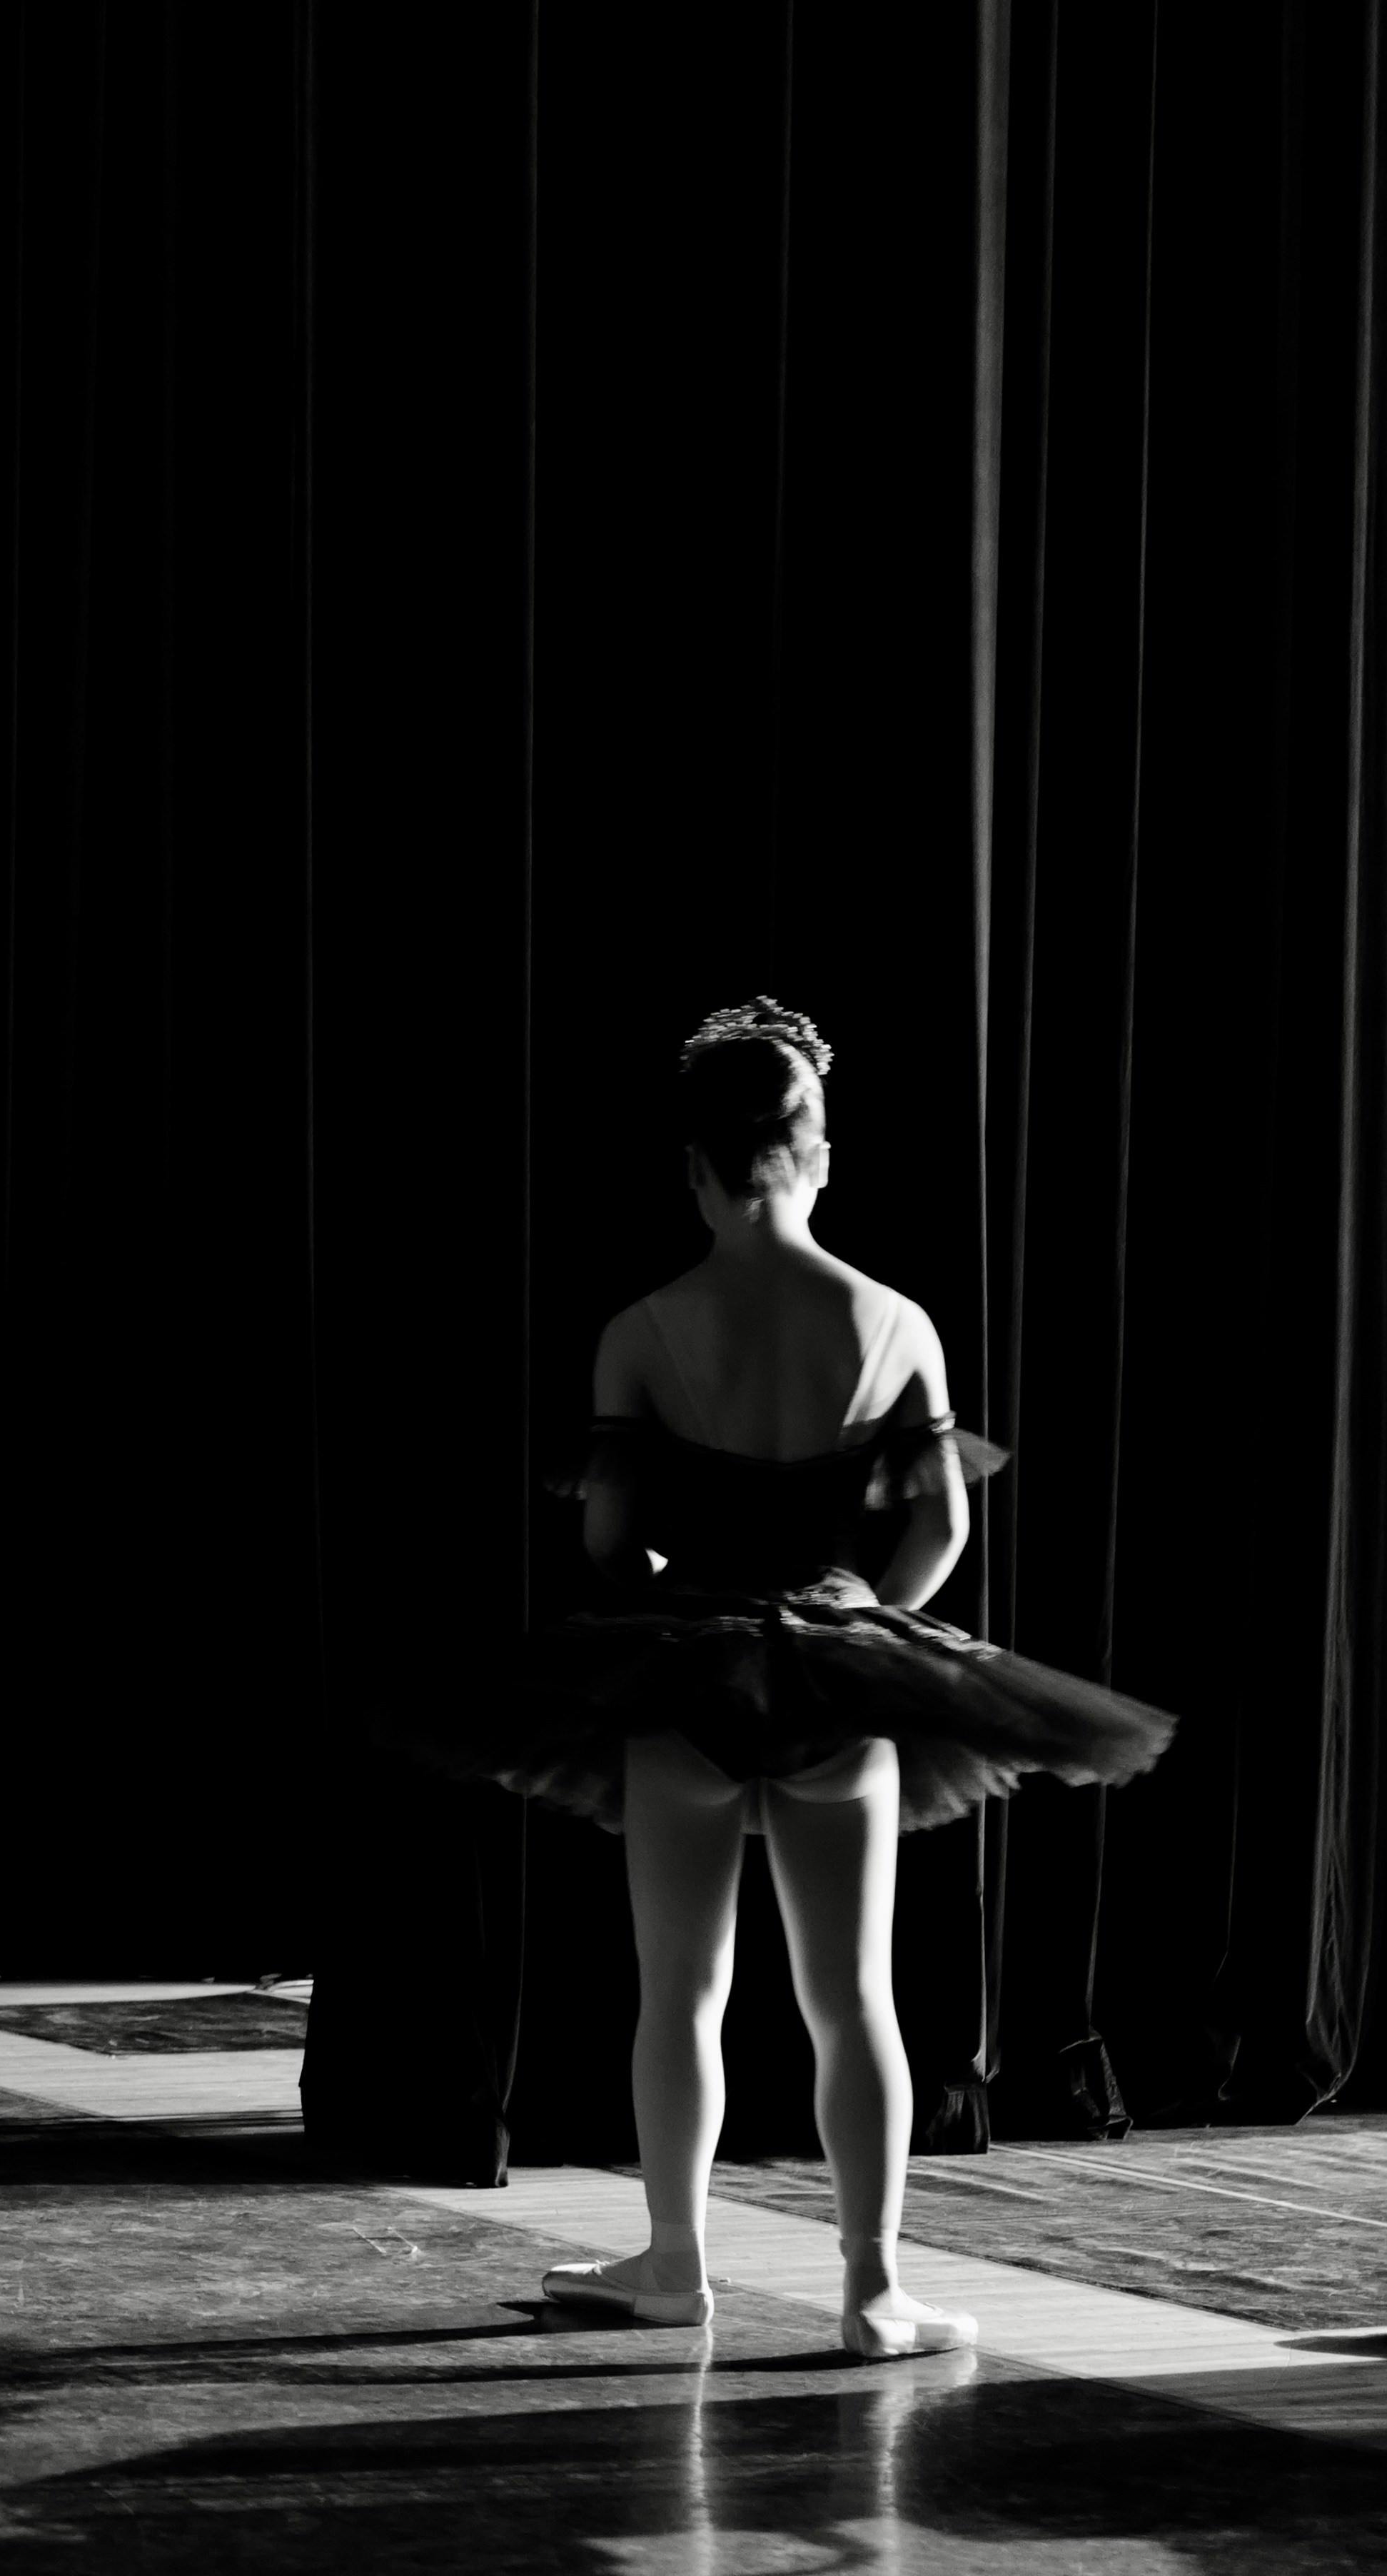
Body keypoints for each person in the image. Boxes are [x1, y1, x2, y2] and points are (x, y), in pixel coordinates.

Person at [460, 998, 1174, 2355]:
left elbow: (611, 1542)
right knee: (852, 1997)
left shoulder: (641, 1328)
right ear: (816, 1151)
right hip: (838, 1686)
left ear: (692, 1166)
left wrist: (696, 1601)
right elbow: (942, 1530)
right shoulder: (892, 1322)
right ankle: (871, 2293)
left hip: (685, 1682)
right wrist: (855, 1640)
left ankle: (673, 2263)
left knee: (678, 1990)